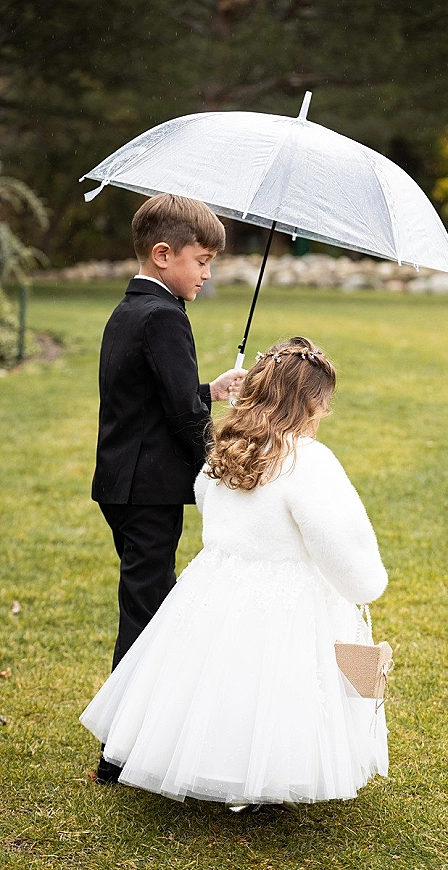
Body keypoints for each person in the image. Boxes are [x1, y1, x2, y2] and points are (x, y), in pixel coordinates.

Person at [81, 337, 389, 807]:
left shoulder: (222, 453)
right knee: (271, 684)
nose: (326, 411)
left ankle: (205, 758)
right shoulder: (308, 462)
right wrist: (365, 584)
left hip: (215, 587)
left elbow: (209, 505)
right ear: (309, 402)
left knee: (215, 679)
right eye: (324, 401)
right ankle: (266, 772)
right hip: (287, 598)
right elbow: (340, 544)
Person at [91, 193, 245, 785]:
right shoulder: (164, 317)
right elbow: (180, 415)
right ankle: (120, 751)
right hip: (149, 489)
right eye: (202, 260)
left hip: (124, 484)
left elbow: (156, 397)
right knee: (148, 613)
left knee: (148, 604)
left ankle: (132, 738)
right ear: (163, 255)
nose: (207, 273)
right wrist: (219, 466)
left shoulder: (131, 309)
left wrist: (211, 388)